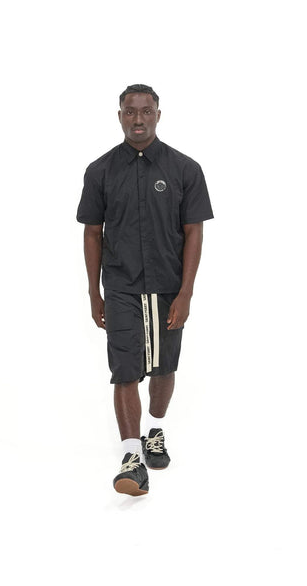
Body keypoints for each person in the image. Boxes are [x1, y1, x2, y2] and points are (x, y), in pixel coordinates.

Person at [77, 84, 214, 496]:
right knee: (124, 369)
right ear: (120, 115)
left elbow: (194, 232)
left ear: (158, 114)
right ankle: (132, 458)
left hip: (168, 287)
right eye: (130, 111)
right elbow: (92, 233)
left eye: (146, 111)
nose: (138, 119)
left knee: (164, 367)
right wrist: (94, 292)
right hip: (121, 287)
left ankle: (154, 431)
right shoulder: (99, 171)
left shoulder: (185, 169)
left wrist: (186, 293)